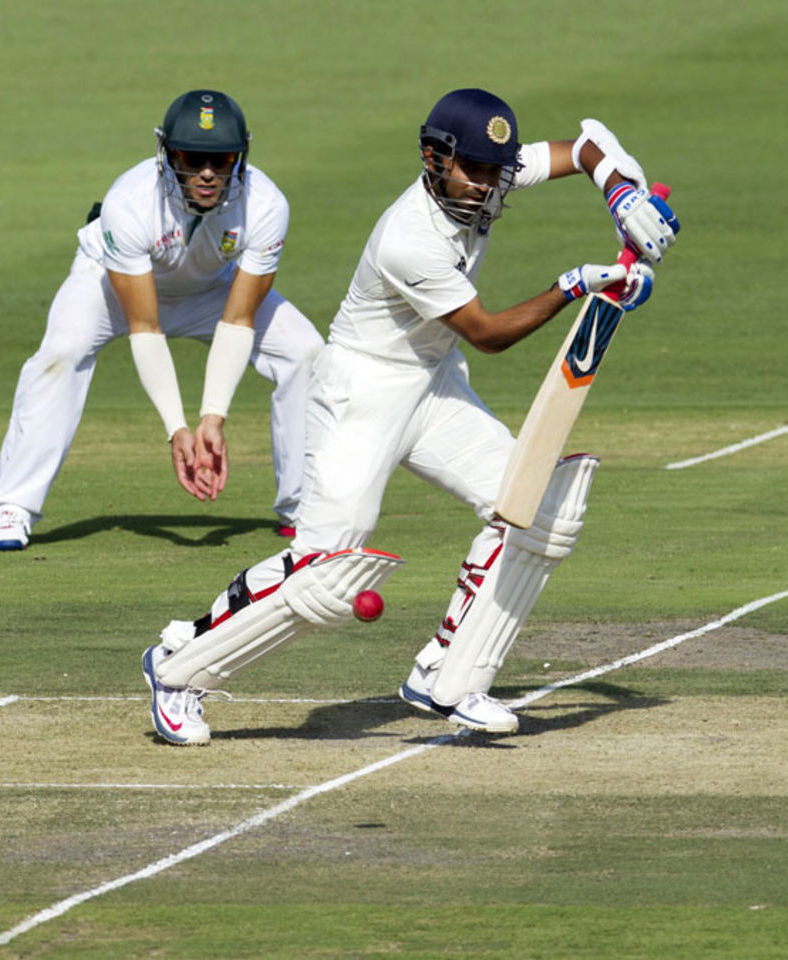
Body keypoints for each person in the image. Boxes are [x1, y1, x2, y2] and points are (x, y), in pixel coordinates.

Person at [140, 88, 680, 745]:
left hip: (433, 385)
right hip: (361, 394)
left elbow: (586, 147)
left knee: (534, 507)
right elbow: (487, 333)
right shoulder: (408, 238)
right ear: (435, 158)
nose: (486, 187)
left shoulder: (489, 167)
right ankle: (178, 666)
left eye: (496, 172)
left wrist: (620, 194)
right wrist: (576, 285)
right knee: (326, 577)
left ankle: (448, 676)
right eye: (473, 172)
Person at [0, 90, 323, 550]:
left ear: (240, 155)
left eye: (220, 159)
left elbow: (239, 320)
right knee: (62, 353)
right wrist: (177, 429)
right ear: (166, 152)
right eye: (191, 157)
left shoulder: (266, 205)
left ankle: (303, 508)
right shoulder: (130, 201)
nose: (206, 172)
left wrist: (212, 419)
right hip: (112, 283)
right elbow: (145, 326)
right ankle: (11, 507)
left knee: (304, 351)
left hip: (209, 289)